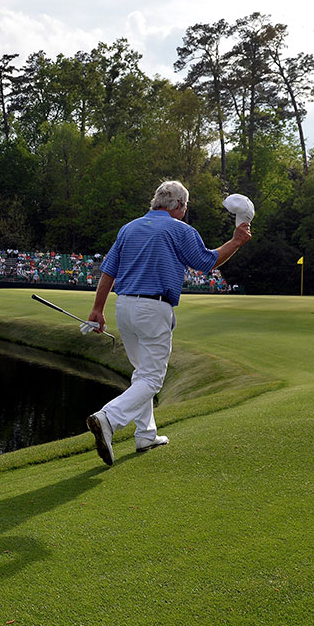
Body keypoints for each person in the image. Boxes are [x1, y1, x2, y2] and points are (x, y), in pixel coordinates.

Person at [84, 180, 251, 465]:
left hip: (124, 307)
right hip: (153, 307)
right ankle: (108, 419)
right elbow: (207, 262)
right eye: (186, 205)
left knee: (142, 374)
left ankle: (146, 435)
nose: (185, 210)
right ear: (179, 205)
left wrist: (98, 309)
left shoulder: (129, 228)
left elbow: (108, 271)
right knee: (151, 378)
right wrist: (236, 241)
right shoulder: (180, 229)